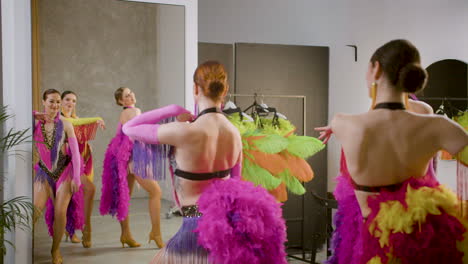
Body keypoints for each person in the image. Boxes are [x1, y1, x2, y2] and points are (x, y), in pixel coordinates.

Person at [317, 39, 468, 264]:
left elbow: (350, 129)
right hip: (426, 242)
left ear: (375, 69)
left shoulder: (344, 123)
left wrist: (334, 128)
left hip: (374, 245)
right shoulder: (439, 126)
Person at [123, 61, 287, 264]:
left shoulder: (183, 131)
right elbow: (236, 185)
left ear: (195, 88)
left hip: (194, 229)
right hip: (225, 233)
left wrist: (171, 109)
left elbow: (129, 128)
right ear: (225, 90)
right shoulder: (234, 134)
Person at [99, 87, 164, 248]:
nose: (131, 96)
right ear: (121, 101)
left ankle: (125, 235)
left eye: (131, 93)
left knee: (124, 198)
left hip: (124, 158)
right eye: (127, 96)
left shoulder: (128, 112)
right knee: (156, 192)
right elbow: (133, 138)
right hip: (130, 158)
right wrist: (131, 163)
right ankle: (155, 233)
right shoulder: (133, 111)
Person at [33, 89, 82, 264]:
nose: (55, 105)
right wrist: (35, 114)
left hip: (64, 170)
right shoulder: (35, 123)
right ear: (43, 102)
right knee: (35, 211)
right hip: (44, 172)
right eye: (51, 101)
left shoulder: (66, 124)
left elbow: (75, 154)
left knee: (60, 212)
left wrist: (76, 177)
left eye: (57, 102)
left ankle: (55, 250)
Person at [61, 90, 105, 247]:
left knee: (77, 196)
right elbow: (74, 125)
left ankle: (72, 229)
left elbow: (80, 137)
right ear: (60, 101)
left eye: (73, 101)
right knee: (86, 190)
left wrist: (87, 147)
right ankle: (86, 229)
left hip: (82, 161)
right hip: (66, 162)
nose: (70, 103)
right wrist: (97, 119)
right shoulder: (60, 118)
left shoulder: (76, 118)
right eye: (67, 99)